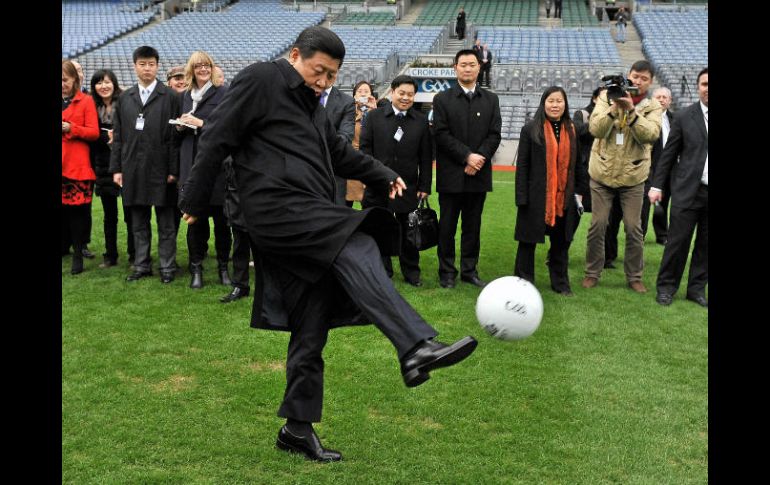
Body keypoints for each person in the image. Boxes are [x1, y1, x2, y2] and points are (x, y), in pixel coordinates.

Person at [178, 26, 477, 462]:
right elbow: (216, 136)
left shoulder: (311, 104)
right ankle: (414, 346)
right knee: (357, 240)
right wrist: (192, 199)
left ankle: (297, 428)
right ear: (296, 55)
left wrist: (383, 173)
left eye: (332, 76)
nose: (324, 81)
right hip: (276, 208)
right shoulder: (261, 78)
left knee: (311, 323)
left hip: (308, 208)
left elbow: (336, 151)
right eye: (319, 71)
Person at [581, 60, 661, 293]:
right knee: (598, 224)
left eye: (644, 78)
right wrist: (615, 107)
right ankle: (592, 272)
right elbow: (595, 129)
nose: (638, 81)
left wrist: (631, 112)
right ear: (628, 75)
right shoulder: (607, 96)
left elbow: (651, 135)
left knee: (634, 228)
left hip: (633, 176)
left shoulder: (653, 105)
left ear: (651, 81)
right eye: (635, 76)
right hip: (602, 173)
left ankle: (634, 276)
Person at [110, 45, 182, 284]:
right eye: (143, 64)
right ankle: (141, 265)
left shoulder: (170, 96)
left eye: (151, 64)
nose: (147, 68)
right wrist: (117, 169)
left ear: (157, 66)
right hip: (132, 168)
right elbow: (118, 136)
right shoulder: (124, 98)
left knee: (166, 223)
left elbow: (175, 137)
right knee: (138, 222)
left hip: (161, 169)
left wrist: (174, 170)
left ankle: (167, 267)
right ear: (135, 66)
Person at [432, 49, 502, 288]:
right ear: (455, 68)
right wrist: (467, 157)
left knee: (473, 228)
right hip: (451, 175)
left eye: (472, 64)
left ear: (479, 67)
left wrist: (479, 158)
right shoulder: (442, 100)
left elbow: (494, 134)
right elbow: (441, 134)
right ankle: (447, 272)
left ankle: (469, 271)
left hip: (478, 176)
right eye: (463, 65)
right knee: (447, 228)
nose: (468, 68)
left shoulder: (491, 99)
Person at [360, 75, 432, 286]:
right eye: (402, 93)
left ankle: (412, 273)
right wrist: (368, 177)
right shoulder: (373, 117)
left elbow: (426, 157)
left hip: (407, 187)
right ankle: (383, 272)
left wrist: (424, 185)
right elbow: (364, 150)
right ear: (392, 92)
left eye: (410, 94)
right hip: (377, 185)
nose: (406, 98)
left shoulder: (420, 121)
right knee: (379, 229)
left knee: (408, 231)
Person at [514, 86, 587, 296]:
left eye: (559, 101)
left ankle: (560, 283)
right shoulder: (530, 129)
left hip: (564, 198)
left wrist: (580, 191)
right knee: (527, 243)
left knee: (561, 244)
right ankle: (523, 283)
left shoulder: (572, 129)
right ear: (543, 103)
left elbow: (579, 165)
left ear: (565, 104)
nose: (555, 105)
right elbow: (523, 166)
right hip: (536, 197)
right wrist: (521, 197)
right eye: (551, 101)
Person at [650, 68, 708, 307]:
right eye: (704, 84)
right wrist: (656, 185)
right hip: (688, 192)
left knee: (706, 246)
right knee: (677, 242)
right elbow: (668, 155)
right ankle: (666, 287)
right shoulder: (685, 116)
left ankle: (696, 289)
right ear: (698, 87)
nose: (708, 88)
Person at [175, 51, 232, 289]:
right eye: (198, 66)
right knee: (194, 222)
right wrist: (181, 125)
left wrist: (201, 124)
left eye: (206, 65)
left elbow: (227, 126)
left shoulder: (223, 92)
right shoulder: (185, 96)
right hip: (192, 166)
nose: (202, 69)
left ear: (211, 67)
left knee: (221, 223)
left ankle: (222, 268)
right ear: (192, 69)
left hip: (217, 168)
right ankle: (196, 268)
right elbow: (175, 132)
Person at [89, 69, 135, 268]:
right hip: (103, 164)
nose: (103, 86)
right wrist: (103, 137)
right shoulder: (91, 106)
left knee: (130, 213)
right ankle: (110, 255)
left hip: (126, 162)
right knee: (109, 215)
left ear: (114, 84)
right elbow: (89, 133)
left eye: (107, 82)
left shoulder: (125, 102)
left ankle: (135, 255)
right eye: (99, 83)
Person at [62, 60, 99, 275]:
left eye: (65, 80)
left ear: (74, 79)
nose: (62, 84)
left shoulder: (85, 101)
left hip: (76, 166)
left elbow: (94, 132)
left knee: (77, 213)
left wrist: (71, 128)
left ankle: (78, 253)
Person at [319, 77, 356, 206]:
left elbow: (345, 136)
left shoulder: (346, 101)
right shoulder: (300, 96)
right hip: (303, 172)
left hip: (333, 172)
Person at [646, 86, 675, 245]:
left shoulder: (676, 119)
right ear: (652, 100)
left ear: (670, 101)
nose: (662, 100)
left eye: (665, 97)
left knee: (665, 203)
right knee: (643, 204)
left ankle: (662, 235)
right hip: (649, 168)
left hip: (671, 169)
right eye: (658, 97)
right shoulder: (645, 118)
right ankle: (639, 233)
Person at [348, 80, 378, 205]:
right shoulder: (348, 111)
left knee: (370, 206)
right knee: (347, 203)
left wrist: (374, 110)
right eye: (359, 91)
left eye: (366, 91)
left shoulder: (378, 112)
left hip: (371, 161)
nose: (363, 94)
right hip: (352, 161)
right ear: (354, 95)